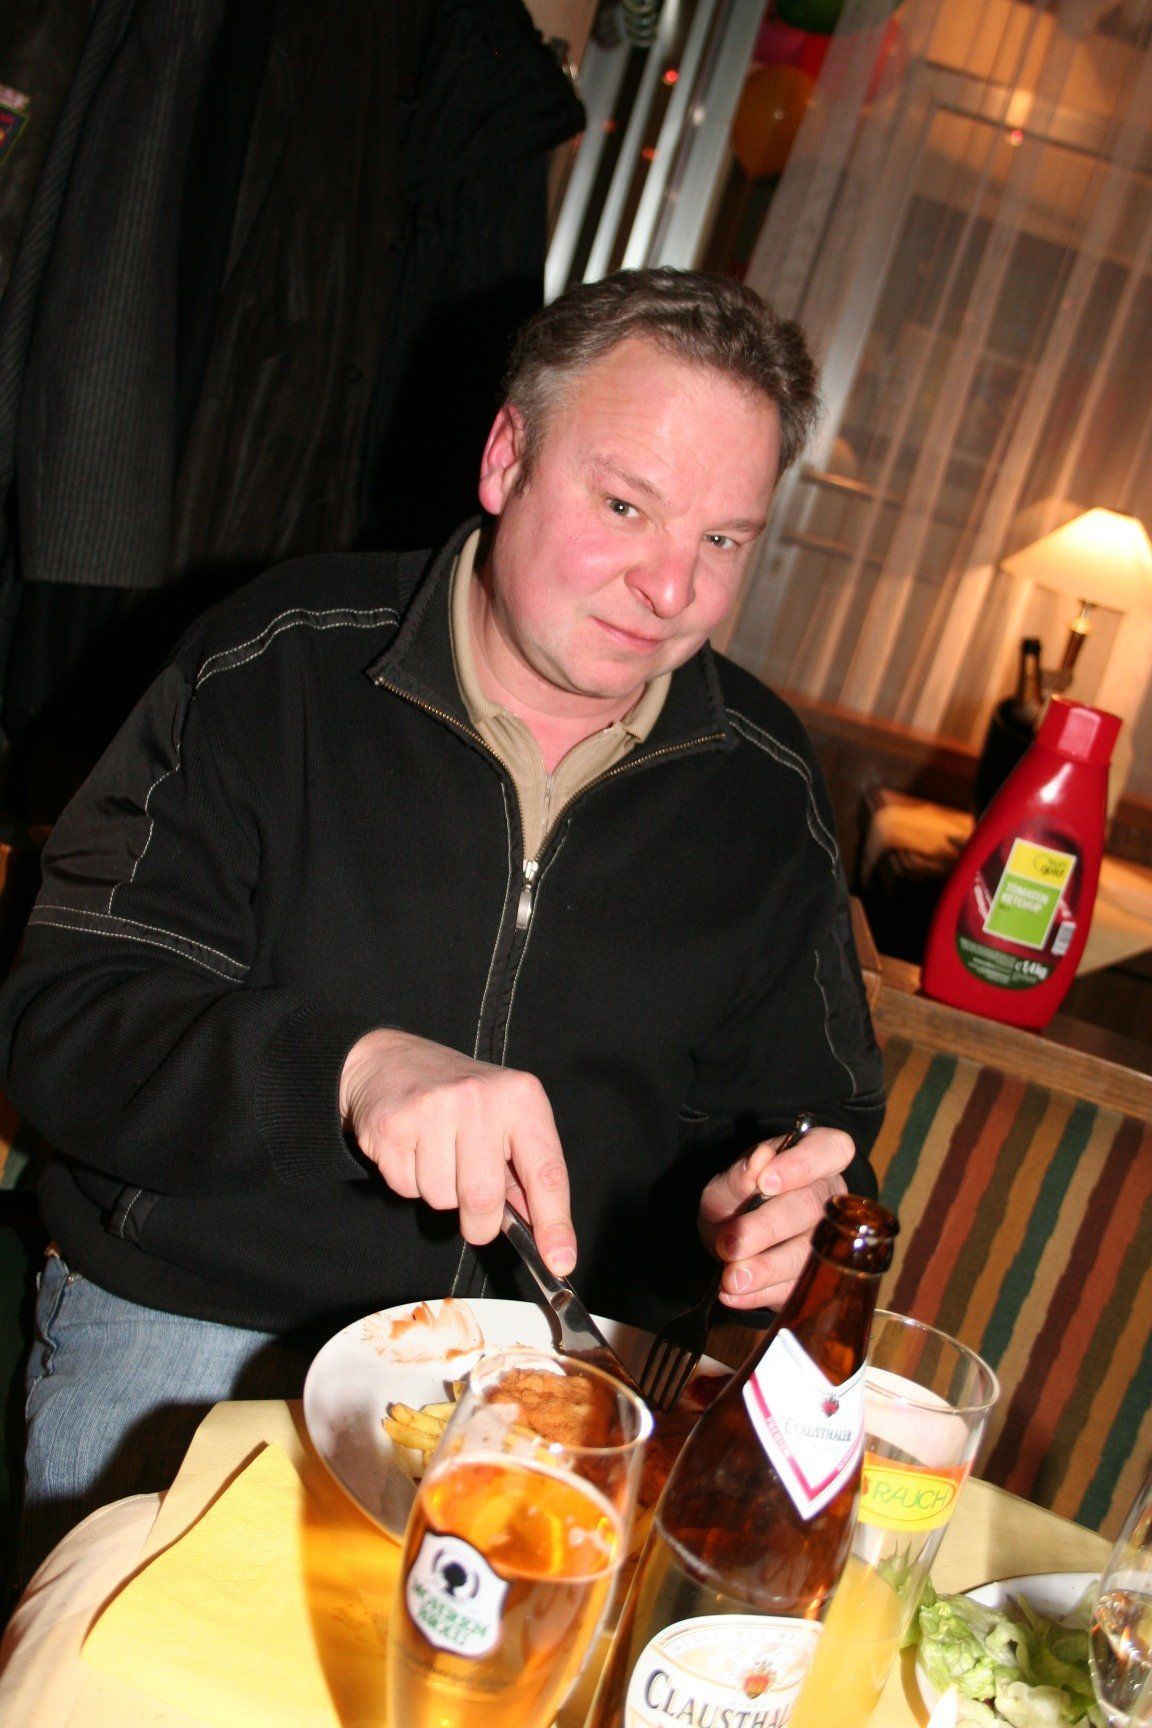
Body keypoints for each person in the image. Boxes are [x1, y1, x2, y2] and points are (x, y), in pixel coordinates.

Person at [0, 268, 885, 1582]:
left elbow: (814, 1118)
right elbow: (63, 1026)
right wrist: (352, 1072)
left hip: (560, 1370)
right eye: (626, 506)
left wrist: (763, 1211)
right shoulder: (274, 663)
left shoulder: (766, 788)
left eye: (723, 540)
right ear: (506, 457)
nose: (670, 589)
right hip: (207, 1323)